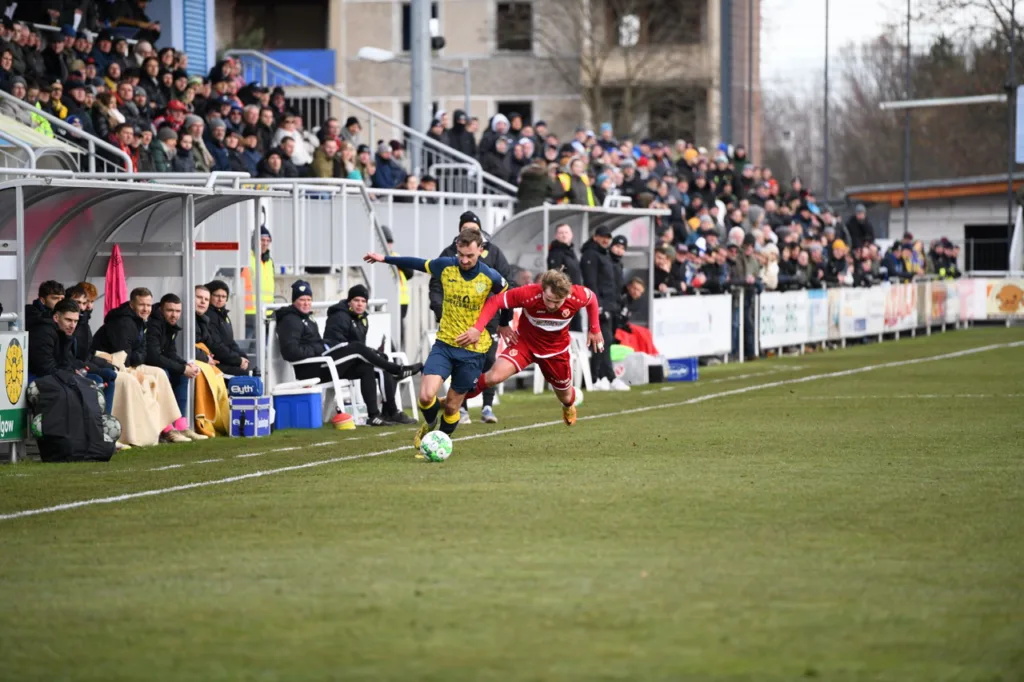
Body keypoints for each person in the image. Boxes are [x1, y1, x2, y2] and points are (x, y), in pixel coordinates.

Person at [363, 229, 511, 449]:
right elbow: (417, 263)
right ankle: (431, 422)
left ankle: (438, 442)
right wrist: (385, 259)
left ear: (480, 251)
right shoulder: (446, 265)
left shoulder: (490, 276)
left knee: (452, 407)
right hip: (445, 345)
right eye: (461, 254)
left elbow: (507, 298)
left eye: (470, 255)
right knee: (425, 396)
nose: (464, 260)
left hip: (474, 351)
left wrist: (504, 324)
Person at [457, 270, 603, 427]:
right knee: (494, 377)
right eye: (549, 300)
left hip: (556, 351)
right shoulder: (528, 293)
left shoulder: (576, 295)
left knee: (566, 397)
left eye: (558, 302)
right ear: (542, 290)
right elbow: (495, 302)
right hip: (525, 344)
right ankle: (456, 397)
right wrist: (480, 328)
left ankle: (568, 406)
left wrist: (595, 328)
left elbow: (592, 298)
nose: (553, 306)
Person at [274, 281, 421, 427]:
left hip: (322, 362)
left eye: (309, 300)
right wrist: (319, 349)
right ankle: (397, 370)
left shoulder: (308, 319)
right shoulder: (290, 320)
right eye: (302, 300)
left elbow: (316, 343)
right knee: (357, 348)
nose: (306, 303)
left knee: (367, 366)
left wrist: (320, 347)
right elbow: (291, 352)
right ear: (294, 301)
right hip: (310, 369)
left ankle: (374, 415)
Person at [428, 211, 516, 425]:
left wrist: (503, 318)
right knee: (457, 365)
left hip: (488, 321)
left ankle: (487, 406)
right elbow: (436, 285)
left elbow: (507, 284)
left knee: (488, 361)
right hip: (455, 322)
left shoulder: (493, 253)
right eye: (466, 228)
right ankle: (461, 408)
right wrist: (441, 311)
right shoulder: (449, 254)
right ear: (459, 231)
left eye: (474, 229)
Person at [323, 284, 419, 425]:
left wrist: (375, 354)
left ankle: (380, 414)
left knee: (377, 364)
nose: (360, 304)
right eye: (356, 300)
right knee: (380, 367)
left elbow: (359, 347)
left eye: (363, 301)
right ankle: (391, 408)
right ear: (349, 301)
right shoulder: (339, 316)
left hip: (354, 361)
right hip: (337, 364)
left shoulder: (362, 319)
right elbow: (339, 346)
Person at [145, 293, 208, 441]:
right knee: (164, 374)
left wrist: (185, 365)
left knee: (181, 375)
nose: (174, 315)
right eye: (170, 310)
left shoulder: (169, 326)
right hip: (144, 365)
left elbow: (170, 353)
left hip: (155, 365)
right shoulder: (153, 325)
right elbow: (153, 357)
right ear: (161, 309)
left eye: (178, 311)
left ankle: (180, 426)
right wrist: (181, 368)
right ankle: (166, 428)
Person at [580, 226, 622, 391]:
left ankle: (604, 377)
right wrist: (598, 306)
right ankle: (597, 377)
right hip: (599, 305)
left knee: (606, 340)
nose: (606, 240)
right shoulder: (590, 254)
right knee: (601, 340)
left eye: (608, 237)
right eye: (603, 237)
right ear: (595, 237)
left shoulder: (603, 254)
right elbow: (591, 282)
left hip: (608, 304)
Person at [204, 280, 253, 375]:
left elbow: (230, 342)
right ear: (209, 296)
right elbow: (216, 346)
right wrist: (238, 360)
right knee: (243, 374)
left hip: (226, 359)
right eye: (217, 296)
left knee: (248, 369)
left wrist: (243, 357)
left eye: (223, 297)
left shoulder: (223, 315)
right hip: (216, 361)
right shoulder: (208, 316)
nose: (220, 299)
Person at [243, 225, 275, 339]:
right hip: (249, 313)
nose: (265, 243)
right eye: (262, 240)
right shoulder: (246, 259)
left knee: (266, 350)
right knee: (247, 348)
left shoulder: (269, 262)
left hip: (266, 312)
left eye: (267, 240)